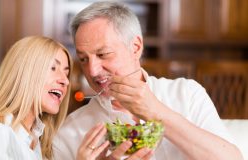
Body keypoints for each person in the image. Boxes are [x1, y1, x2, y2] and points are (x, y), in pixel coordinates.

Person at [52, 1, 244, 160]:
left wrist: (156, 112)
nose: (92, 71)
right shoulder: (71, 131)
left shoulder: (186, 94)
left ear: (135, 47)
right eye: (83, 59)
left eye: (103, 54)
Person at [0, 36, 109, 160]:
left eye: (66, 73)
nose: (65, 80)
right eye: (53, 68)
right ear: (25, 73)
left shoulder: (38, 145)